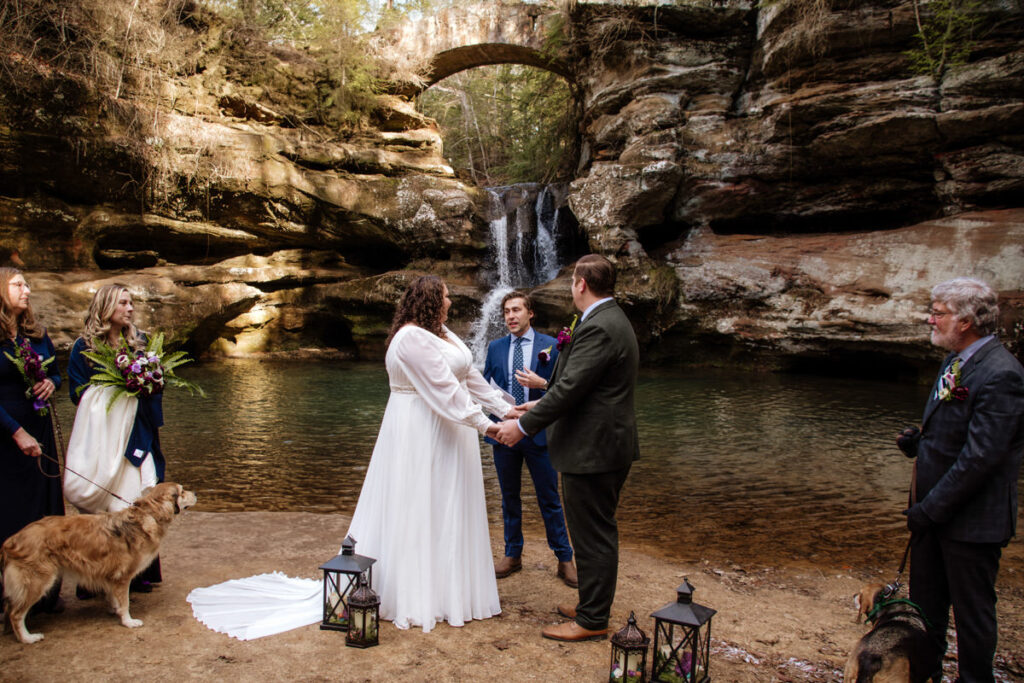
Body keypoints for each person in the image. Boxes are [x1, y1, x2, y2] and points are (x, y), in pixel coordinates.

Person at [347, 275, 518, 632]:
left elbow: (468, 377)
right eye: (445, 296)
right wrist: (487, 427)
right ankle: (417, 595)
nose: (450, 302)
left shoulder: (441, 333)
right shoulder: (410, 339)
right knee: (420, 505)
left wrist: (506, 409)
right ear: (428, 300)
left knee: (446, 506)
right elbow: (443, 391)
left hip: (448, 428)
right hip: (420, 430)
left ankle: (449, 588)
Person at [495, 254, 639, 642]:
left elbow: (573, 389)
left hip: (594, 450)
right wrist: (537, 404)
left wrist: (522, 427)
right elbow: (584, 388)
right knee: (591, 529)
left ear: (581, 284)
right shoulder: (606, 320)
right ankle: (592, 604)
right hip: (599, 445)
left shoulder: (600, 327)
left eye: (572, 281)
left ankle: (592, 620)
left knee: (593, 534)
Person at [897, 277, 1024, 682]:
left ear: (967, 320)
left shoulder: (1003, 374)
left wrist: (928, 511)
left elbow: (982, 457)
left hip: (971, 522)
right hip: (935, 517)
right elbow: (956, 435)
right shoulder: (953, 361)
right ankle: (926, 674)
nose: (929, 318)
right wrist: (921, 443)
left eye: (938, 312)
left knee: (972, 615)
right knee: (924, 608)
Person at [65, 284, 165, 593]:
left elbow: (159, 383)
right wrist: (115, 391)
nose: (131, 308)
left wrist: (149, 382)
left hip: (138, 430)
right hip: (103, 437)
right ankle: (93, 578)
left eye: (132, 302)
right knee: (102, 502)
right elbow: (77, 393)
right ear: (107, 306)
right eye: (124, 302)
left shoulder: (142, 342)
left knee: (139, 495)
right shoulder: (83, 348)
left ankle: (136, 573)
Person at [483, 291, 576, 587]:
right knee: (509, 498)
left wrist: (543, 384)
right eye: (507, 312)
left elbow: (568, 390)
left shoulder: (552, 346)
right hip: (505, 432)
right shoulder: (494, 347)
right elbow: (485, 387)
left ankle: (564, 559)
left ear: (530, 313)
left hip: (539, 434)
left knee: (549, 499)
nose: (510, 316)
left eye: (516, 310)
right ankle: (513, 555)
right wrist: (495, 411)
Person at [0, 267, 64, 613]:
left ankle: (43, 594)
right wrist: (15, 431)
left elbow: (55, 370)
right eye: (18, 284)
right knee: (10, 510)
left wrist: (52, 382)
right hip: (6, 435)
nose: (27, 290)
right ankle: (8, 595)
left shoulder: (36, 335)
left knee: (43, 509)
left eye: (27, 284)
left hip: (39, 430)